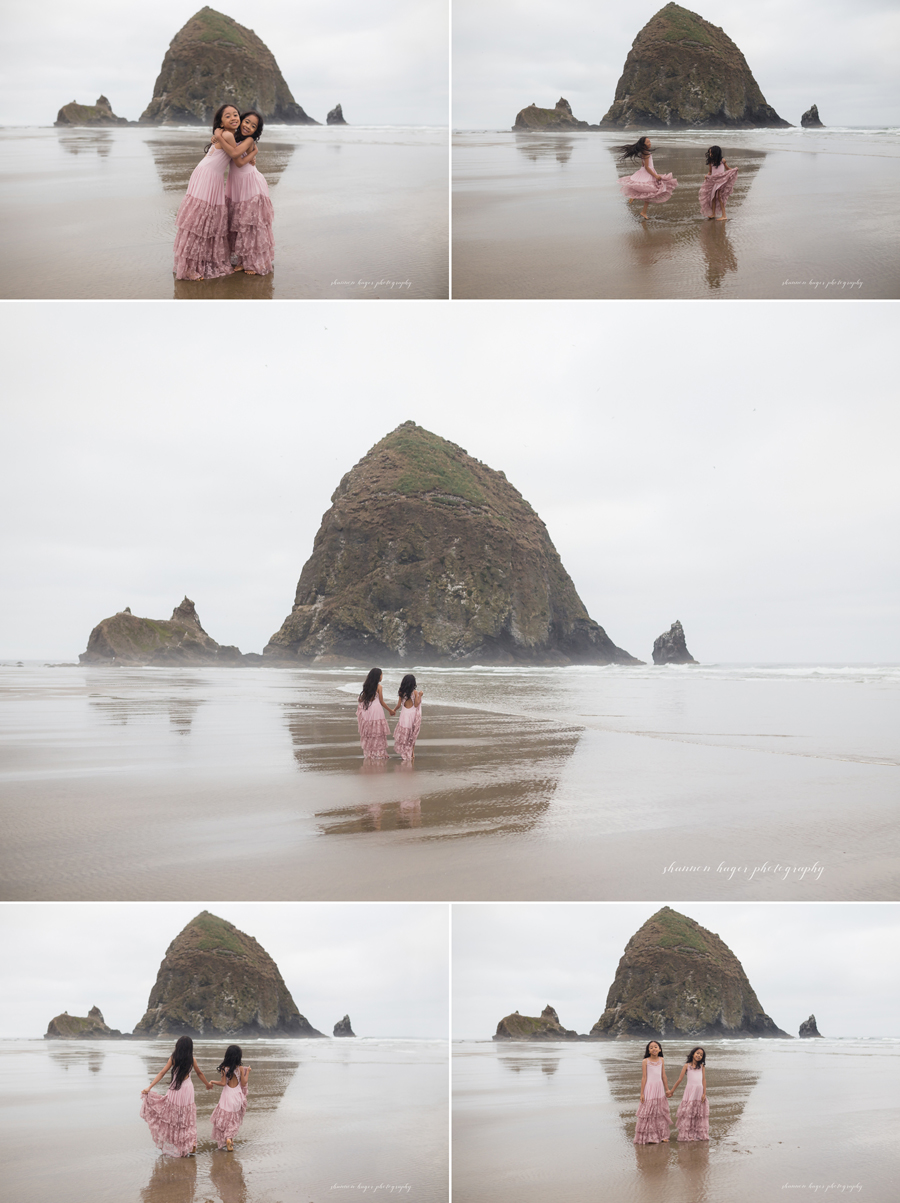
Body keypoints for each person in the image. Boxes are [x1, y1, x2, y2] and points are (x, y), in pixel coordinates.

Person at [173, 103, 257, 280]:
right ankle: (189, 268)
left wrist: (249, 155)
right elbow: (235, 155)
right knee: (200, 220)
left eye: (236, 114)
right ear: (221, 121)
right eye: (228, 116)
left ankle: (193, 263)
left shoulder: (227, 135)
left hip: (209, 174)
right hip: (209, 175)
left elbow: (236, 155)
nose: (234, 118)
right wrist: (251, 152)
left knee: (203, 220)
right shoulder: (226, 134)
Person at [140, 1035, 213, 1156]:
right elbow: (199, 1073)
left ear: (178, 1046)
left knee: (174, 1117)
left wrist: (149, 1087)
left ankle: (179, 1144)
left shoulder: (173, 1058)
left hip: (175, 1089)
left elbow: (162, 1072)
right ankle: (191, 1143)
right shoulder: (192, 1059)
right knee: (187, 1117)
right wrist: (207, 1084)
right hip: (188, 1090)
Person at [221, 110, 274, 276]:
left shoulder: (249, 140)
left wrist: (254, 152)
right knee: (239, 222)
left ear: (256, 131)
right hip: (236, 184)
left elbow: (238, 161)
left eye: (253, 126)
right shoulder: (233, 136)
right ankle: (242, 258)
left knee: (249, 224)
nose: (248, 126)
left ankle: (249, 262)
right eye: (247, 122)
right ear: (241, 120)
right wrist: (217, 134)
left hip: (250, 182)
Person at [617, 136, 678, 219]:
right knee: (649, 192)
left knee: (647, 192)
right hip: (647, 173)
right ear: (643, 145)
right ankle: (641, 208)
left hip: (645, 172)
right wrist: (655, 175)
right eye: (647, 142)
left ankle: (642, 209)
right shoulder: (646, 153)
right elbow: (647, 167)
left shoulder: (645, 152)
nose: (650, 143)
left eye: (650, 141)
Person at [209, 1044, 251, 1151]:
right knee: (234, 1119)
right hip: (237, 1096)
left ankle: (227, 1139)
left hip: (227, 1096)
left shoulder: (224, 1068)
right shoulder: (240, 1068)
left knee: (225, 1118)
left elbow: (223, 1083)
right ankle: (230, 1139)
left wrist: (213, 1081)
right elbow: (244, 1082)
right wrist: (248, 1072)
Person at [634, 1040, 671, 1144]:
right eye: (651, 1047)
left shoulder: (661, 1060)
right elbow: (644, 1077)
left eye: (656, 1047)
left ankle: (663, 1135)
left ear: (659, 1049)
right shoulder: (645, 1061)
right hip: (649, 1088)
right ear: (648, 1051)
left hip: (659, 1088)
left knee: (660, 1111)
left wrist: (667, 1089)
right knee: (649, 1112)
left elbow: (663, 1076)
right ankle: (651, 1136)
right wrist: (642, 1093)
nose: (654, 1049)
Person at [668, 1046, 709, 1140]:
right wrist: (672, 1091)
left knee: (698, 1114)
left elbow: (703, 1080)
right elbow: (680, 1079)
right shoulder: (687, 1066)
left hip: (699, 1092)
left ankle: (698, 1134)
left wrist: (704, 1093)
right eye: (697, 1053)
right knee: (689, 1112)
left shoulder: (702, 1066)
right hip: (690, 1091)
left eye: (701, 1055)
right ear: (693, 1054)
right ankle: (688, 1134)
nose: (699, 1055)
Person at [357, 668, 395, 758]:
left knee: (370, 732)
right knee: (378, 732)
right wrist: (391, 710)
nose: (382, 676)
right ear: (378, 676)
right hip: (376, 710)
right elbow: (381, 702)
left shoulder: (366, 685)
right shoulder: (379, 687)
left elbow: (363, 698)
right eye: (381, 675)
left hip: (367, 709)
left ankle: (370, 753)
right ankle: (379, 752)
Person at [699, 146, 738, 221]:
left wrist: (734, 170)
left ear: (716, 153)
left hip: (721, 181)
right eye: (709, 153)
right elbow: (710, 171)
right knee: (713, 197)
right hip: (714, 181)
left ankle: (724, 215)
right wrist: (707, 176)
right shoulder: (711, 162)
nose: (710, 154)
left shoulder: (722, 160)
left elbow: (727, 169)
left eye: (711, 152)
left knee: (720, 197)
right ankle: (713, 214)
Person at [393, 674, 423, 761]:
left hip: (404, 715)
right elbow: (416, 704)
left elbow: (399, 705)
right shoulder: (415, 692)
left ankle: (404, 751)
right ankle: (412, 752)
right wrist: (420, 695)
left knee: (405, 734)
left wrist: (393, 710)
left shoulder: (401, 693)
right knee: (412, 734)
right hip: (412, 715)